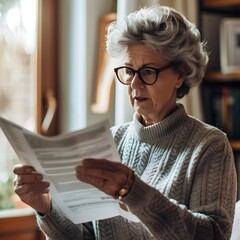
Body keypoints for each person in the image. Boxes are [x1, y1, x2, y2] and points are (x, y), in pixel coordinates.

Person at [13, 4, 237, 240]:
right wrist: (45, 208)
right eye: (129, 71)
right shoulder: (111, 141)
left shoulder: (209, 145)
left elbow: (212, 235)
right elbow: (86, 236)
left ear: (180, 74)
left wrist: (133, 191)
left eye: (148, 71)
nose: (134, 84)